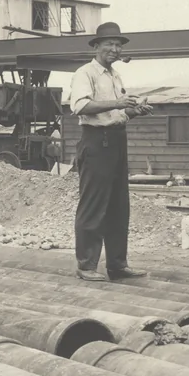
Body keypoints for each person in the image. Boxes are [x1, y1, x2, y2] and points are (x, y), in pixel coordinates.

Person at [68, 21, 154, 282]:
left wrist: (132, 111)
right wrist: (117, 103)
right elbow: (80, 106)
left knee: (118, 206)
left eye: (118, 45)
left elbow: (116, 113)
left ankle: (117, 265)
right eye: (109, 44)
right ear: (96, 46)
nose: (115, 50)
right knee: (93, 205)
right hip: (96, 142)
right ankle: (86, 266)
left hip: (116, 140)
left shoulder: (115, 75)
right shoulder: (85, 73)